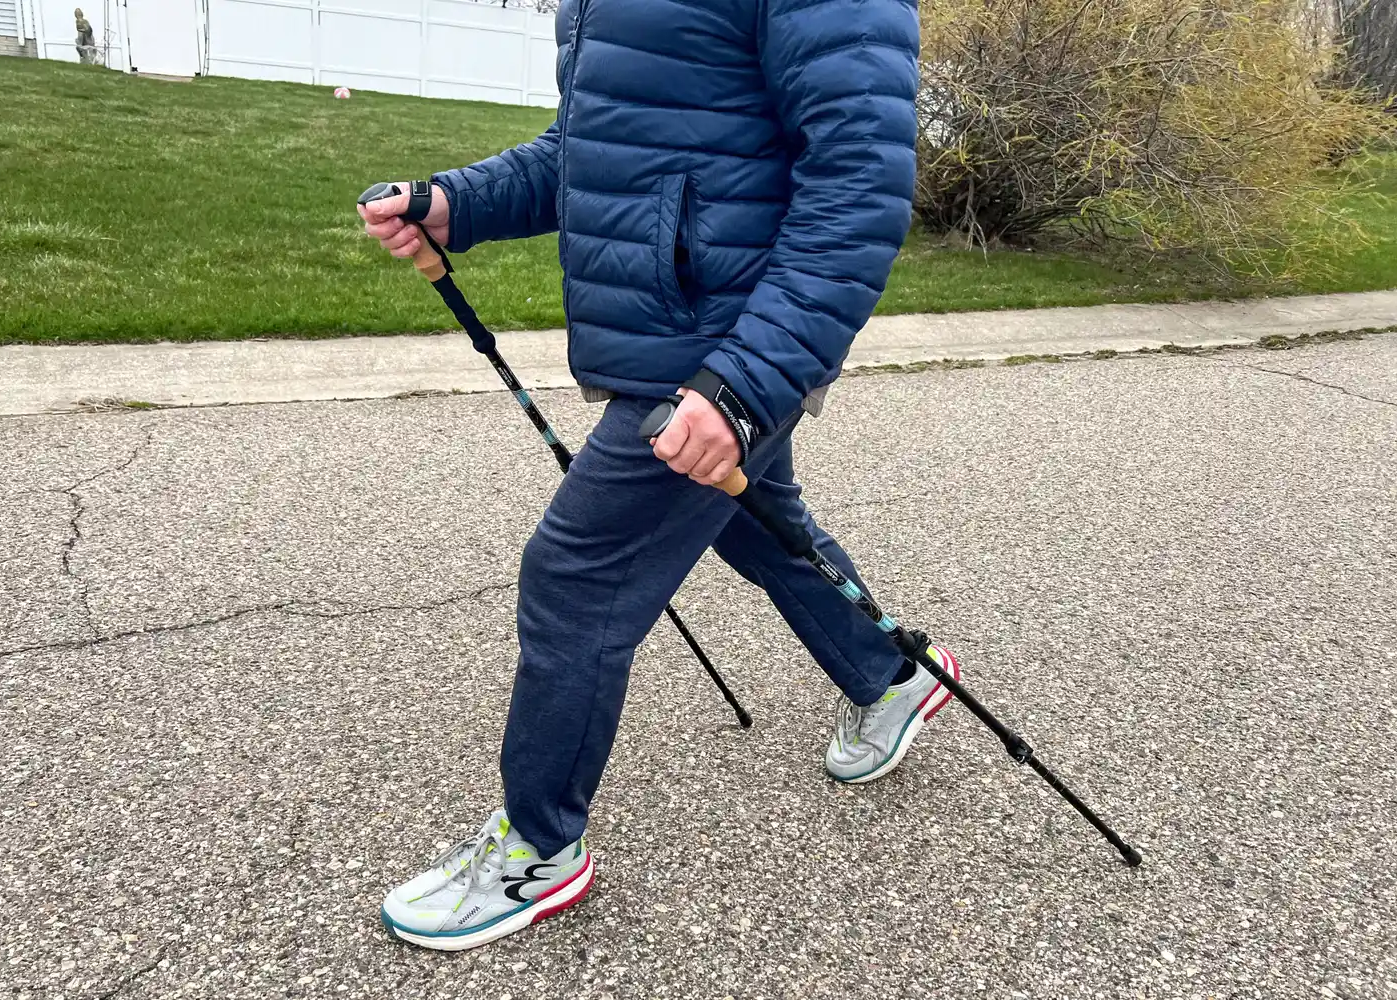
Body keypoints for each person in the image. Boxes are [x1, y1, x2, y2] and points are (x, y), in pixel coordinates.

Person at [357, 0, 958, 952]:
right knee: (757, 523)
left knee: (577, 578)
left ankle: (538, 855)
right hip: (677, 342)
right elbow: (594, 154)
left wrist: (744, 389)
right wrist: (452, 206)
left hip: (725, 350)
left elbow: (859, 185)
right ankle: (889, 674)